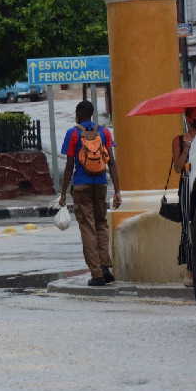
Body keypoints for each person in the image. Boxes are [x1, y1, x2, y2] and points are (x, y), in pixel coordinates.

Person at [58, 100, 122, 286]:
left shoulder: (73, 134)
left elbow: (69, 166)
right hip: (101, 183)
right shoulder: (104, 132)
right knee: (101, 224)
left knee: (88, 227)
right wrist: (117, 191)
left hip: (81, 185)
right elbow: (111, 162)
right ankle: (105, 267)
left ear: (78, 114)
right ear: (92, 114)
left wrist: (63, 193)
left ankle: (96, 274)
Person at [173, 106, 196, 287]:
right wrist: (186, 149)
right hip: (187, 183)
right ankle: (190, 269)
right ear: (188, 118)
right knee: (188, 225)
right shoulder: (179, 140)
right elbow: (177, 168)